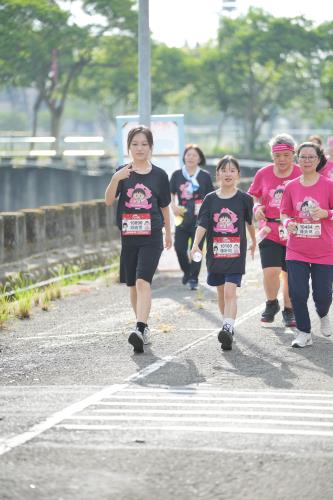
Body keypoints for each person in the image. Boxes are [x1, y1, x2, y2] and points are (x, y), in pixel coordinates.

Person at [105, 125, 172, 354]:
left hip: (152, 235)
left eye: (144, 144)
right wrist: (116, 177)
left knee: (143, 282)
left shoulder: (160, 175)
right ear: (128, 147)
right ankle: (142, 329)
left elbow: (164, 207)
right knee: (133, 286)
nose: (139, 148)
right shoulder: (122, 173)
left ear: (151, 147)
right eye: (135, 144)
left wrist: (169, 234)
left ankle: (140, 327)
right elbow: (108, 200)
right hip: (129, 236)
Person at [190, 155, 256, 351]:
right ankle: (227, 327)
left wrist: (253, 241)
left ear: (238, 174)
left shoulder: (245, 199)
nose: (228, 173)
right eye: (224, 170)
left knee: (229, 290)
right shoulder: (210, 199)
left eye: (232, 170)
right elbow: (202, 224)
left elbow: (249, 223)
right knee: (220, 292)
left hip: (236, 254)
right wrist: (195, 244)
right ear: (217, 173)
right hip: (215, 254)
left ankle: (228, 326)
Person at [280, 141, 333, 347]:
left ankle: (323, 313)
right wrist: (287, 222)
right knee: (298, 292)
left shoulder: (329, 185)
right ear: (297, 159)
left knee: (323, 294)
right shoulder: (291, 186)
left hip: (325, 249)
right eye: (303, 157)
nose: (307, 160)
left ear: (319, 160)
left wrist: (326, 213)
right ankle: (303, 332)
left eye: (311, 157)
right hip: (296, 249)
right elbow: (284, 212)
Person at [248, 133, 301, 327]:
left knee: (289, 274)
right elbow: (253, 195)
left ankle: (289, 309)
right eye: (278, 156)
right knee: (270, 271)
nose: (282, 160)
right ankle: (271, 303)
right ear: (272, 155)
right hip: (269, 229)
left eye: (286, 155)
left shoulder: (300, 173)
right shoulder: (263, 173)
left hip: (294, 229)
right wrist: (256, 207)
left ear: (293, 155)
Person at [170, 144, 214, 290]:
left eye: (194, 155)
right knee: (179, 248)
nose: (191, 157)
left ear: (199, 158)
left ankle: (193, 278)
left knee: (197, 250)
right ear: (184, 157)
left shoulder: (204, 176)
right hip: (182, 218)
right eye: (188, 154)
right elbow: (170, 193)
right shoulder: (177, 174)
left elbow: (211, 196)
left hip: (199, 219)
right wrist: (173, 207)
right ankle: (187, 272)